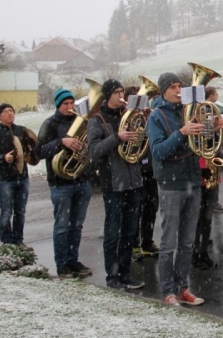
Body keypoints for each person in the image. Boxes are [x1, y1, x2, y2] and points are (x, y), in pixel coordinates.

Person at [147, 72, 223, 306]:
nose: (178, 90)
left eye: (180, 86)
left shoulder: (188, 111)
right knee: (169, 242)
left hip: (193, 181)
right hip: (171, 184)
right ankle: (168, 291)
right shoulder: (156, 116)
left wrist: (214, 129)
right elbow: (158, 151)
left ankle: (183, 287)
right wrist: (181, 133)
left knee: (187, 242)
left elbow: (203, 145)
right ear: (163, 91)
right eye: (173, 87)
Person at [88, 79, 144, 290]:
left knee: (130, 231)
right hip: (113, 182)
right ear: (108, 95)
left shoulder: (127, 115)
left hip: (133, 180)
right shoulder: (97, 119)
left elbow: (141, 145)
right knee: (113, 232)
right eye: (117, 92)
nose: (121, 95)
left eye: (122, 91)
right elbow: (93, 151)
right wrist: (117, 137)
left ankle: (126, 273)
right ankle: (112, 277)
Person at [35, 88, 93, 278]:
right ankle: (62, 265)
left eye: (71, 103)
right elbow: (39, 151)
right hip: (60, 183)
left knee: (77, 225)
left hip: (81, 179)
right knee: (62, 226)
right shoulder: (50, 124)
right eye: (65, 104)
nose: (69, 107)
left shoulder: (81, 121)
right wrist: (62, 142)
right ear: (58, 105)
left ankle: (73, 260)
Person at [0, 104, 32, 246]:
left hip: (22, 178)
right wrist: (3, 158)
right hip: (4, 180)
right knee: (6, 212)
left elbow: (31, 149)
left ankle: (18, 241)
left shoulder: (21, 130)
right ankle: (7, 243)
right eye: (6, 111)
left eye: (11, 111)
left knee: (20, 212)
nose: (10, 114)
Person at [125, 85, 160, 262]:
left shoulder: (149, 115)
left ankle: (147, 241)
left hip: (150, 168)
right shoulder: (126, 118)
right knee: (135, 209)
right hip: (134, 168)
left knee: (151, 206)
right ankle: (133, 244)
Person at [192, 86, 223, 270]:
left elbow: (214, 145)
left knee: (207, 218)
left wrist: (217, 131)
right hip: (199, 172)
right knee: (197, 219)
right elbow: (193, 148)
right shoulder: (191, 123)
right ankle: (195, 253)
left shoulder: (211, 119)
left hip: (212, 171)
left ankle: (203, 252)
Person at [205, 86, 223, 214]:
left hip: (213, 144)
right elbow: (207, 131)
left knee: (214, 177)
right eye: (216, 94)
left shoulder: (210, 108)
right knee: (213, 176)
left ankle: (212, 201)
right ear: (211, 95)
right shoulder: (208, 109)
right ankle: (212, 202)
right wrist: (216, 128)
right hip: (211, 146)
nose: (217, 96)